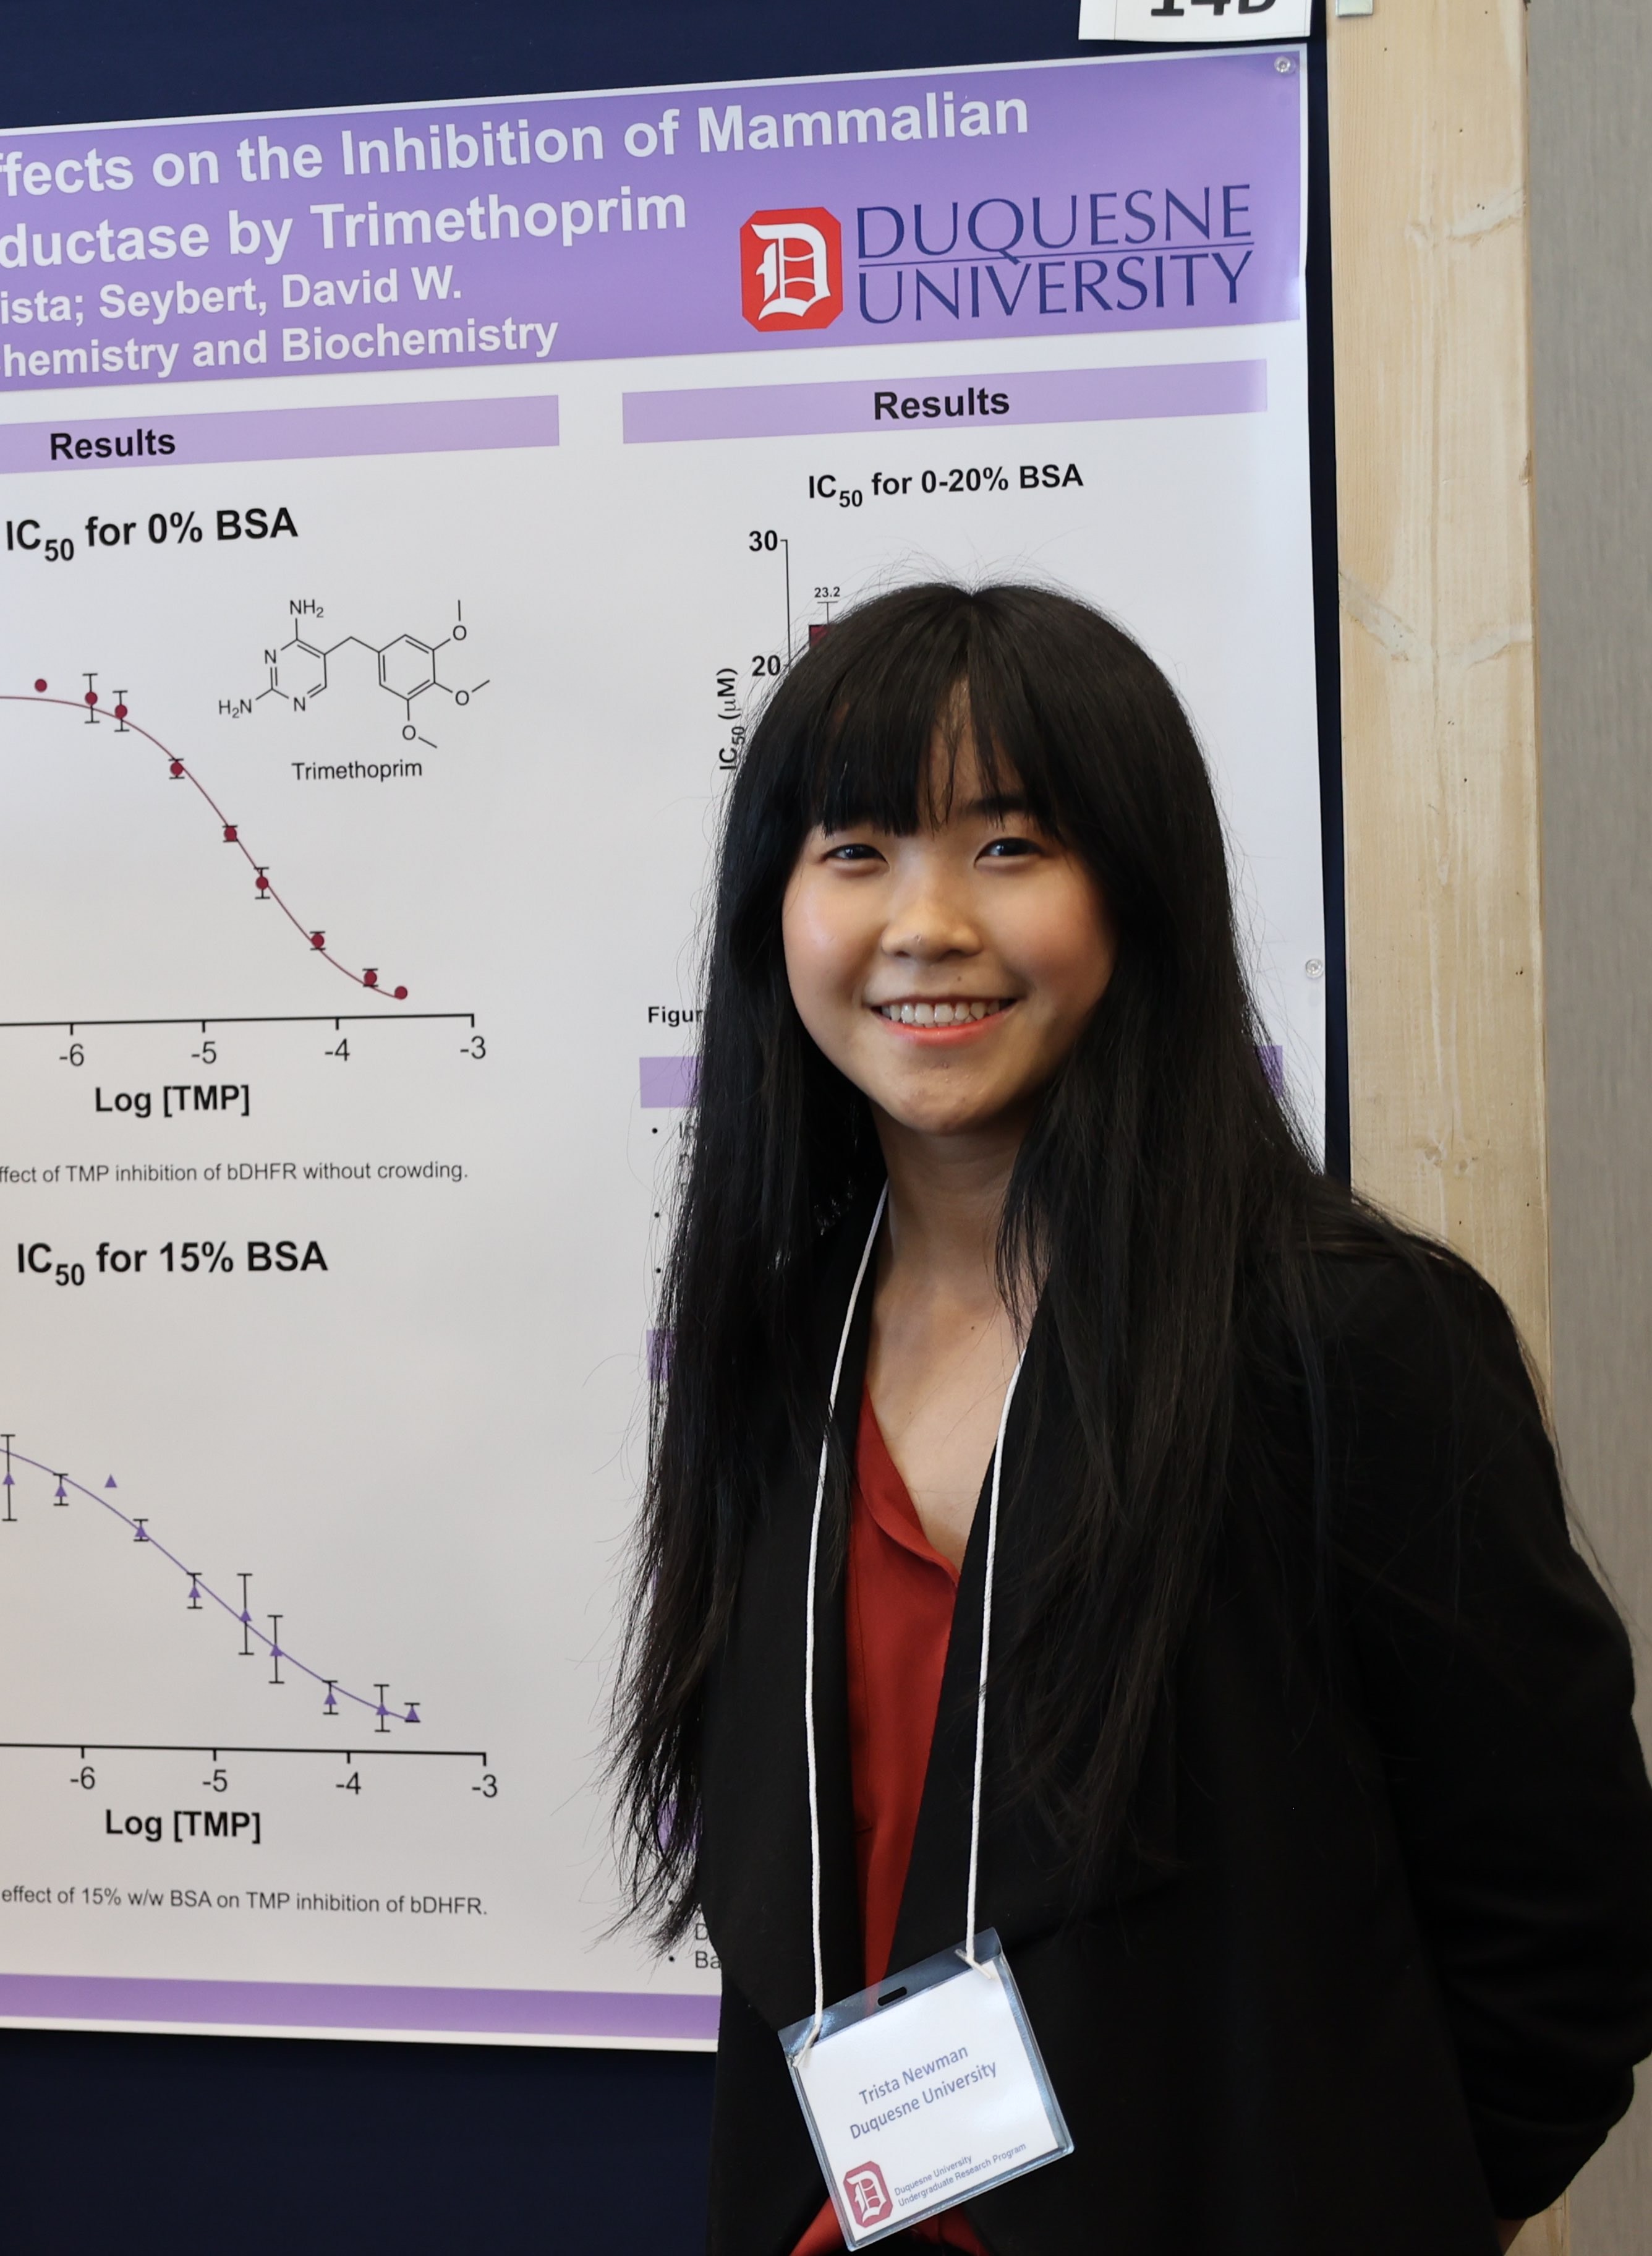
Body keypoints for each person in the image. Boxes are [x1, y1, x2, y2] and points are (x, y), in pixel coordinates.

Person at [616, 582, 1652, 2253]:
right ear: (775, 910)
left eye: (1011, 846)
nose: (927, 922)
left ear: (1139, 900)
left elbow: (1564, 1939)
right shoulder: (774, 1345)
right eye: (858, 847)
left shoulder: (1343, 1337)